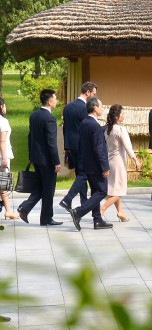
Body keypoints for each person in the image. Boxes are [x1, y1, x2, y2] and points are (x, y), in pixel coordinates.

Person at [67, 97, 114, 231]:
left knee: (95, 191)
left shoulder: (84, 123)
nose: (102, 108)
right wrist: (104, 167)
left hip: (87, 164)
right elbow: (99, 148)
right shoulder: (94, 125)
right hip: (96, 166)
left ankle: (97, 219)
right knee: (102, 191)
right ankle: (79, 212)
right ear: (94, 108)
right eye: (101, 106)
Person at [16, 90, 62, 225]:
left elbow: (30, 137)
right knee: (48, 189)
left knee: (43, 186)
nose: (56, 101)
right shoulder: (50, 119)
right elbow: (51, 143)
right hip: (47, 160)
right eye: (55, 98)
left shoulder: (34, 115)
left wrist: (31, 156)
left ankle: (26, 208)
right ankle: (46, 218)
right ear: (49, 101)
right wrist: (56, 161)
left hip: (36, 158)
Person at [60, 81, 97, 211]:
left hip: (70, 145)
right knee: (83, 175)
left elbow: (65, 127)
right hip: (81, 146)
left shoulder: (68, 106)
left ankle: (83, 202)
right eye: (93, 94)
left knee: (80, 175)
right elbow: (87, 127)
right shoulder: (84, 108)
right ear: (87, 93)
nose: (94, 97)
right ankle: (68, 199)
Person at [101, 104, 136, 222]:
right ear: (117, 116)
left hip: (109, 160)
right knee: (119, 190)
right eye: (122, 113)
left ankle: (120, 212)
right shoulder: (120, 129)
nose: (124, 116)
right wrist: (135, 159)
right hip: (118, 162)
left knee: (114, 188)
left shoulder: (107, 130)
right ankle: (102, 209)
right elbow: (128, 147)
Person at [0, 97, 18, 220]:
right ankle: (8, 211)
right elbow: (2, 141)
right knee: (3, 183)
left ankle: (7, 210)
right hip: (2, 156)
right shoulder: (3, 122)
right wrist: (5, 158)